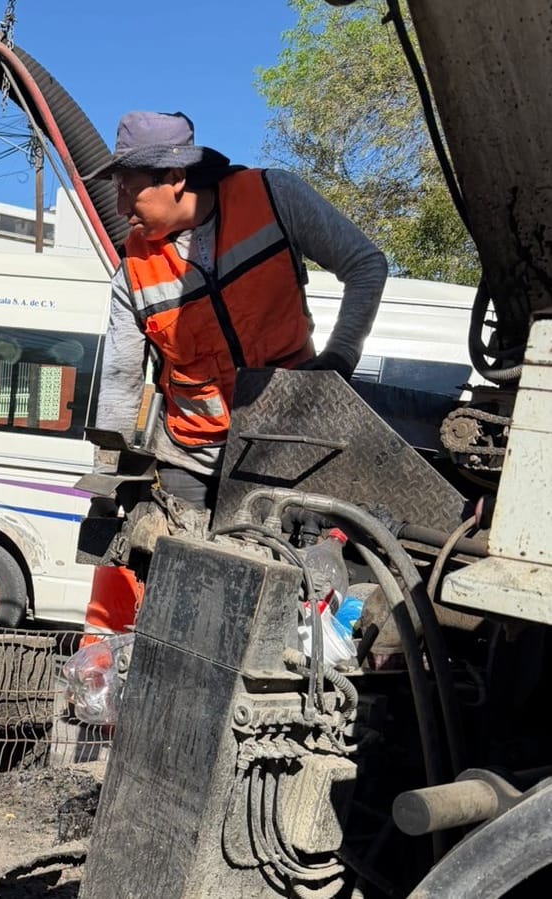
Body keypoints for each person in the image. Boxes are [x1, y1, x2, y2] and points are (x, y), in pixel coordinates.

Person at [83, 110, 388, 641]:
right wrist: (107, 483)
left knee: (283, 614)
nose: (119, 206)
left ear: (174, 177)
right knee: (182, 611)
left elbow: (366, 265)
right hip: (189, 462)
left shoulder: (273, 198)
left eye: (129, 189)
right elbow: (120, 382)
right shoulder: (132, 269)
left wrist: (338, 359)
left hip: (286, 453)